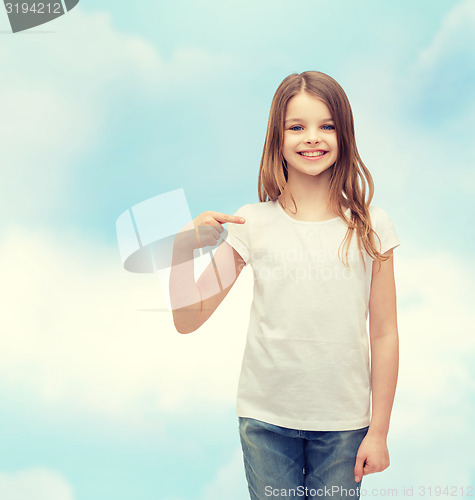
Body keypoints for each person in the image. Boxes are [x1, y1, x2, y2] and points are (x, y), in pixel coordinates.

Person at [169, 70, 400, 500]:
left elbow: (384, 333)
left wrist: (379, 431)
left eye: (326, 125)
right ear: (277, 137)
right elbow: (188, 320)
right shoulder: (250, 224)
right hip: (265, 422)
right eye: (297, 126)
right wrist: (184, 251)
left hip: (345, 426)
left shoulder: (371, 226)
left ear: (344, 134)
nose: (312, 137)